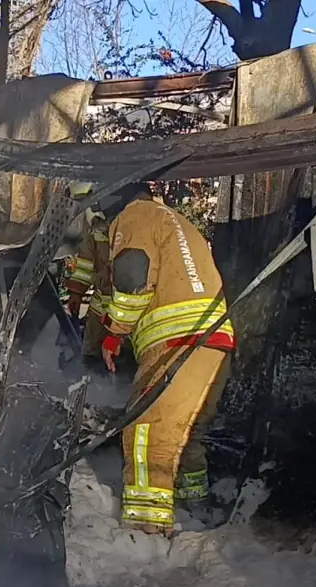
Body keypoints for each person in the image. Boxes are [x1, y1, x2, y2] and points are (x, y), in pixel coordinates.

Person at [99, 183, 234, 535]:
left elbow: (132, 276)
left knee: (146, 431)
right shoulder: (174, 220)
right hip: (213, 344)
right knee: (186, 433)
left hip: (178, 342)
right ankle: (194, 507)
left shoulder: (136, 215)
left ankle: (146, 529)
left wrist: (115, 331)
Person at [62, 181, 112, 367]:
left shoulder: (129, 220)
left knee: (120, 363)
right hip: (100, 310)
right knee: (91, 359)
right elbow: (86, 261)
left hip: (126, 314)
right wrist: (76, 292)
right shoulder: (94, 224)